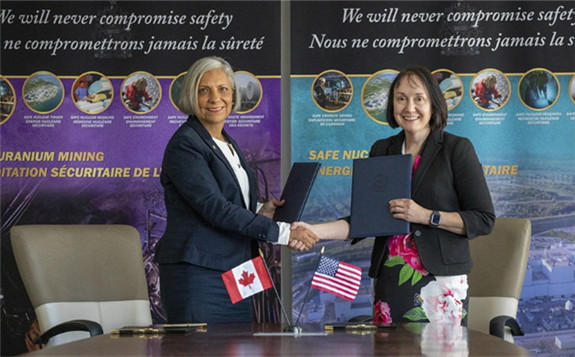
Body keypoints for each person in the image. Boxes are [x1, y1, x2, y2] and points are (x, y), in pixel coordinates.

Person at [295, 66, 495, 325]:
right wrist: (313, 230)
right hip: (390, 279)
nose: (409, 107)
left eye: (418, 99)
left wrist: (426, 216)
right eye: (401, 98)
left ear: (433, 104)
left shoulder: (457, 149)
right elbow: (365, 219)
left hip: (440, 284)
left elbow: (483, 219)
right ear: (392, 105)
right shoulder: (382, 150)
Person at [155, 56, 319, 324]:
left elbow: (228, 200)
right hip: (199, 276)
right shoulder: (185, 145)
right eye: (203, 90)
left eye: (223, 89)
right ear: (191, 96)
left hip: (235, 272)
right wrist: (284, 232)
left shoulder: (225, 142)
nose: (214, 98)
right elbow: (214, 207)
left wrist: (260, 211)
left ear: (233, 96)